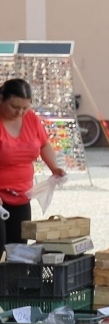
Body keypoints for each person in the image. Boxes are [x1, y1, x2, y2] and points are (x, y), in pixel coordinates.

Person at [0, 78, 67, 247]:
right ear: (1, 99)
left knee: (18, 250)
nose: (20, 112)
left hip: (22, 195)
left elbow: (44, 144)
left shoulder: (31, 118)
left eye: (25, 108)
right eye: (15, 107)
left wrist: (55, 167)